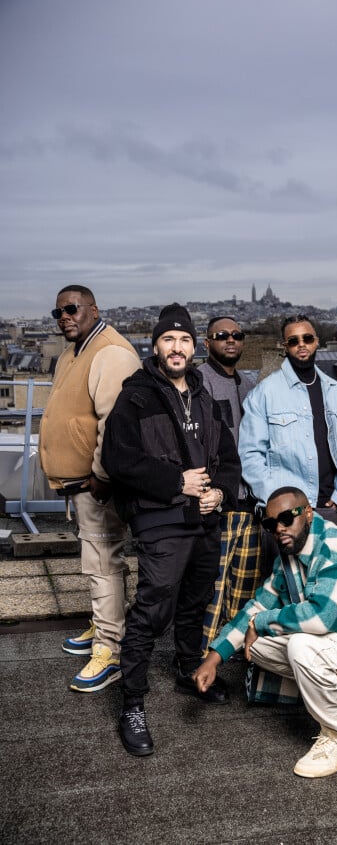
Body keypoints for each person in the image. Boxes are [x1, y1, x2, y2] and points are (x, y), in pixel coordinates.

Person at [194, 486, 337, 780]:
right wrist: (214, 657)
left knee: (299, 645)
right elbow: (258, 605)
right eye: (271, 524)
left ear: (308, 513)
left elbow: (322, 617)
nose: (280, 528)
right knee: (258, 644)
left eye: (287, 518)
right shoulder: (290, 556)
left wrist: (262, 621)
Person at [101, 304, 241, 757]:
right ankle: (133, 704)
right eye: (168, 340)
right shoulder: (136, 395)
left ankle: (186, 670)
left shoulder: (205, 395)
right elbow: (117, 460)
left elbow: (229, 459)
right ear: (155, 346)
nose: (176, 348)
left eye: (184, 340)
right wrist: (175, 482)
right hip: (161, 518)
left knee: (195, 600)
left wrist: (219, 493)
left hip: (205, 518)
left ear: (194, 346)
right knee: (152, 608)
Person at [39, 285, 141, 692]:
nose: (64, 316)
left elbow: (114, 425)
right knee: (102, 558)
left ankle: (110, 648)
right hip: (81, 480)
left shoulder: (110, 353)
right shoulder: (76, 348)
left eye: (72, 308)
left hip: (96, 482)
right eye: (58, 311)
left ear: (94, 309)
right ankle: (107, 624)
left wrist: (100, 475)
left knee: (100, 560)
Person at [238, 315, 337, 523]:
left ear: (317, 341)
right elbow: (249, 456)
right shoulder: (264, 393)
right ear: (285, 347)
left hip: (328, 509)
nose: (301, 345)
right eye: (293, 341)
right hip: (285, 514)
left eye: (307, 338)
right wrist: (279, 501)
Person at [197, 316, 262, 650]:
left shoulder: (249, 384)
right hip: (219, 502)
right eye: (222, 335)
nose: (231, 340)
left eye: (237, 335)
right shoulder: (199, 382)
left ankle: (228, 652)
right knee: (213, 587)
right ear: (207, 343)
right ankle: (200, 658)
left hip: (249, 503)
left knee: (244, 587)